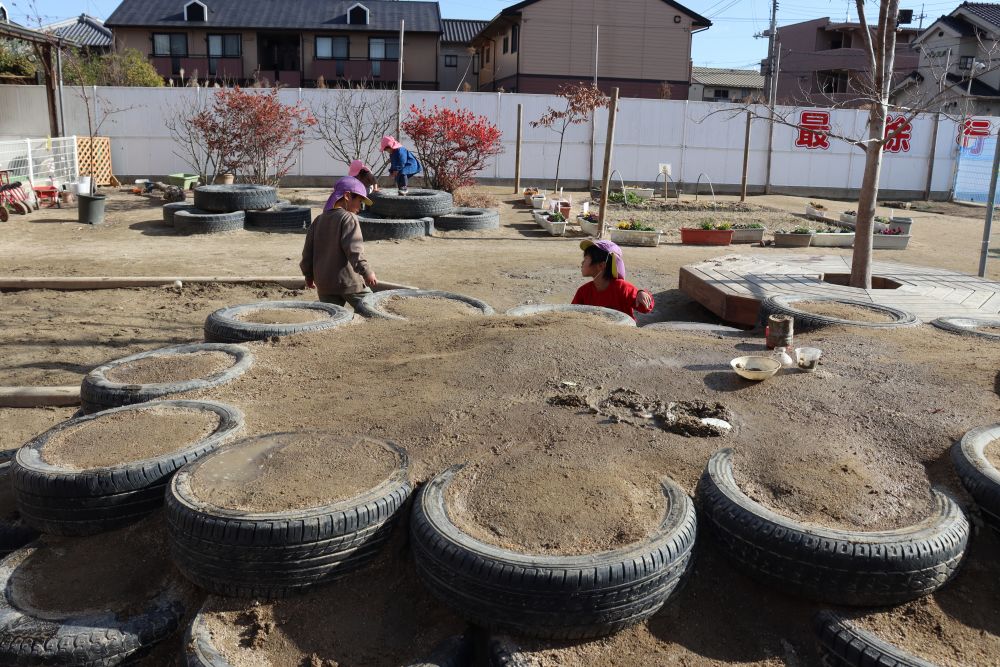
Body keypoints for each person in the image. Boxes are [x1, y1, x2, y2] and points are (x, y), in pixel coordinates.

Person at [301, 176, 378, 308]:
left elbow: (308, 252)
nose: (361, 207)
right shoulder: (348, 218)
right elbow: (354, 249)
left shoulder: (318, 220)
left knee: (331, 317)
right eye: (360, 201)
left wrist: (308, 276)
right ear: (347, 196)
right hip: (349, 283)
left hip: (325, 284)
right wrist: (367, 271)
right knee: (373, 308)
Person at [572, 239, 654, 320]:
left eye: (585, 259)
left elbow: (645, 308)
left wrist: (642, 293)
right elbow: (571, 314)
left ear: (601, 266)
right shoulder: (583, 291)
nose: (582, 263)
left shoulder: (622, 287)